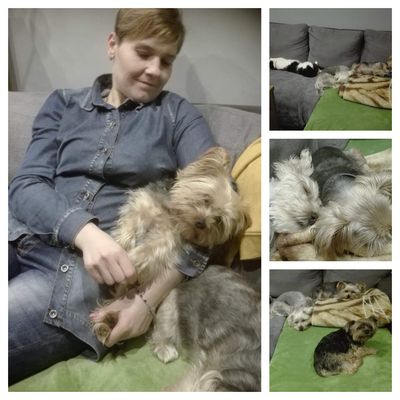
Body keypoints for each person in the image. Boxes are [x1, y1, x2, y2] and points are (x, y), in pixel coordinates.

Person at [8, 8, 215, 385]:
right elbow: (25, 185)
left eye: (167, 61)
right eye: (144, 53)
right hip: (15, 234)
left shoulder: (177, 116)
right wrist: (85, 233)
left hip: (75, 278)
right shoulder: (63, 104)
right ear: (113, 44)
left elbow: (215, 211)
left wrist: (147, 301)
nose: (155, 70)